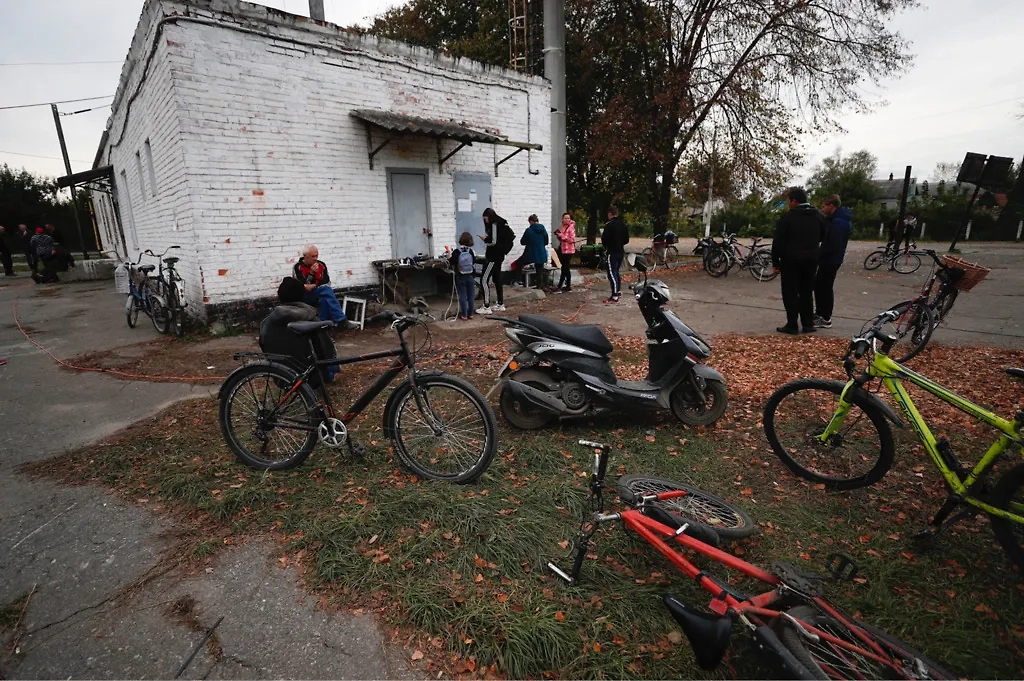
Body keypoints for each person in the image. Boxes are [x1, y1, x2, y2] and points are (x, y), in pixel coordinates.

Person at [260, 277, 337, 384]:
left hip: (282, 378)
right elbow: (328, 353)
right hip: (312, 379)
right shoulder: (312, 320)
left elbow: (264, 347)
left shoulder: (267, 322)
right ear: (303, 295)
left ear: (280, 296)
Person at [771, 187, 826, 335]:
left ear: (794, 201)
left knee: (790, 292)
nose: (788, 203)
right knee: (806, 291)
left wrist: (775, 262)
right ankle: (808, 324)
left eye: (789, 201)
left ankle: (792, 324)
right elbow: (823, 235)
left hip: (791, 260)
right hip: (811, 260)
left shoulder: (788, 217)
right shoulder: (818, 216)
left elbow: (778, 241)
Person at [291, 244, 358, 329]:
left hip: (319, 292)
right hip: (305, 296)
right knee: (325, 291)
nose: (315, 258)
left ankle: (322, 326)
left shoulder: (321, 265)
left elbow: (326, 282)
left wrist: (314, 285)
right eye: (313, 256)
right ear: (305, 256)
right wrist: (311, 274)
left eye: (317, 256)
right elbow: (302, 286)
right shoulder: (298, 267)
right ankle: (341, 320)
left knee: (324, 298)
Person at [813, 194, 853, 329]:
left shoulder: (838, 223)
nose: (823, 209)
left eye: (824, 206)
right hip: (831, 258)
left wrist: (819, 255)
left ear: (831, 206)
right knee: (820, 286)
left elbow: (832, 243)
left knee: (824, 287)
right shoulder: (837, 219)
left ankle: (825, 317)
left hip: (831, 259)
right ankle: (820, 313)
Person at [477, 207, 513, 314]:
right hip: (500, 255)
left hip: (493, 256)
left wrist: (485, 239)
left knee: (484, 280)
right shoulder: (502, 224)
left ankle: (486, 306)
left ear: (489, 217)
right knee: (497, 279)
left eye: (485, 219)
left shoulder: (494, 224)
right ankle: (500, 303)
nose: (485, 221)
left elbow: (493, 241)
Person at [601, 205, 629, 303]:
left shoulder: (609, 225)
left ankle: (614, 295)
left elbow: (604, 239)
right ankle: (618, 290)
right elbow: (626, 239)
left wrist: (607, 246)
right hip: (620, 251)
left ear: (610, 214)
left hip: (612, 251)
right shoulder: (623, 224)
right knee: (616, 271)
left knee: (611, 273)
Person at [450, 232, 477, 320]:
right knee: (471, 295)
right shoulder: (471, 251)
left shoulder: (456, 251)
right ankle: (471, 314)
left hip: (460, 275)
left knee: (462, 295)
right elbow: (473, 262)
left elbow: (452, 262)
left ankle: (464, 315)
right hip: (470, 275)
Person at [520, 214, 549, 289]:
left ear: (531, 221)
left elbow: (522, 242)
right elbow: (546, 241)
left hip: (531, 253)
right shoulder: (543, 229)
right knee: (540, 270)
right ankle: (540, 286)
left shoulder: (529, 230)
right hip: (542, 253)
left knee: (519, 263)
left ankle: (519, 281)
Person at [553, 212, 576, 292]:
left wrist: (562, 236)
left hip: (569, 251)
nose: (566, 220)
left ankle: (560, 285)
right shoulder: (563, 227)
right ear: (562, 219)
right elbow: (563, 240)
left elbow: (572, 240)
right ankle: (567, 285)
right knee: (565, 268)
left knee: (565, 268)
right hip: (563, 250)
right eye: (565, 218)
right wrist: (558, 236)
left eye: (568, 218)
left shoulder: (571, 228)